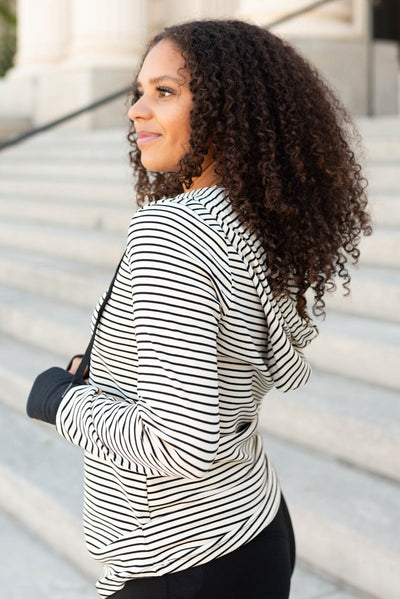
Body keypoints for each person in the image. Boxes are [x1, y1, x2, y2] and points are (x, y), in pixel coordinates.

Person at [26, 19, 371, 599]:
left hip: (181, 563)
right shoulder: (249, 217)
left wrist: (60, 401)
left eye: (165, 92)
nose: (136, 109)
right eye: (139, 91)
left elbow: (180, 443)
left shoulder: (174, 235)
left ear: (226, 112)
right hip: (248, 528)